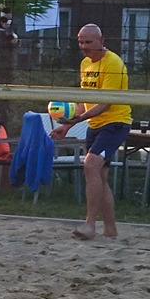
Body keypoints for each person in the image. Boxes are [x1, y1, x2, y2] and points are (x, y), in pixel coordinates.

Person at [55, 23, 133, 241]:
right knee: (99, 176)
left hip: (116, 122)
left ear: (101, 40)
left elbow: (105, 103)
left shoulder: (113, 63)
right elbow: (85, 102)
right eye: (80, 42)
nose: (84, 46)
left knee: (90, 164)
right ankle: (111, 229)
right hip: (96, 124)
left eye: (88, 42)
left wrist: (80, 118)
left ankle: (89, 224)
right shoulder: (85, 64)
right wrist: (67, 125)